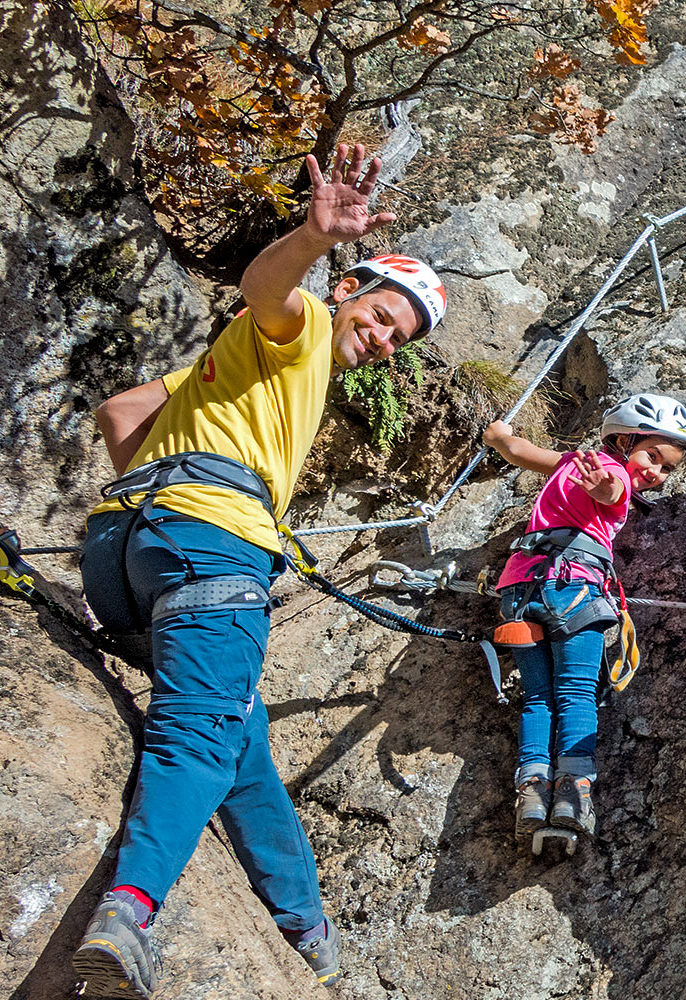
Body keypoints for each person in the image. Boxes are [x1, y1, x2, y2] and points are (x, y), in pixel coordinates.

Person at [72, 144, 440, 999]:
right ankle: (128, 912)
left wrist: (162, 503)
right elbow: (269, 291)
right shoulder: (301, 329)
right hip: (212, 542)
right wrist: (315, 236)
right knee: (200, 733)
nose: (383, 339)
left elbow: (122, 411)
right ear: (346, 289)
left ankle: (304, 924)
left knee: (240, 728)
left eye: (399, 338)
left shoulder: (236, 369)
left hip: (121, 551)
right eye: (382, 315)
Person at [478, 393, 686, 852]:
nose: (655, 472)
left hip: (519, 590)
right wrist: (605, 488)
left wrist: (498, 437)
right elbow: (612, 490)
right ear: (624, 441)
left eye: (667, 468)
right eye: (652, 456)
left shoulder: (570, 462)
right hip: (573, 589)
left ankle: (532, 792)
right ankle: (573, 794)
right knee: (576, 694)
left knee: (537, 697)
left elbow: (518, 451)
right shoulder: (612, 474)